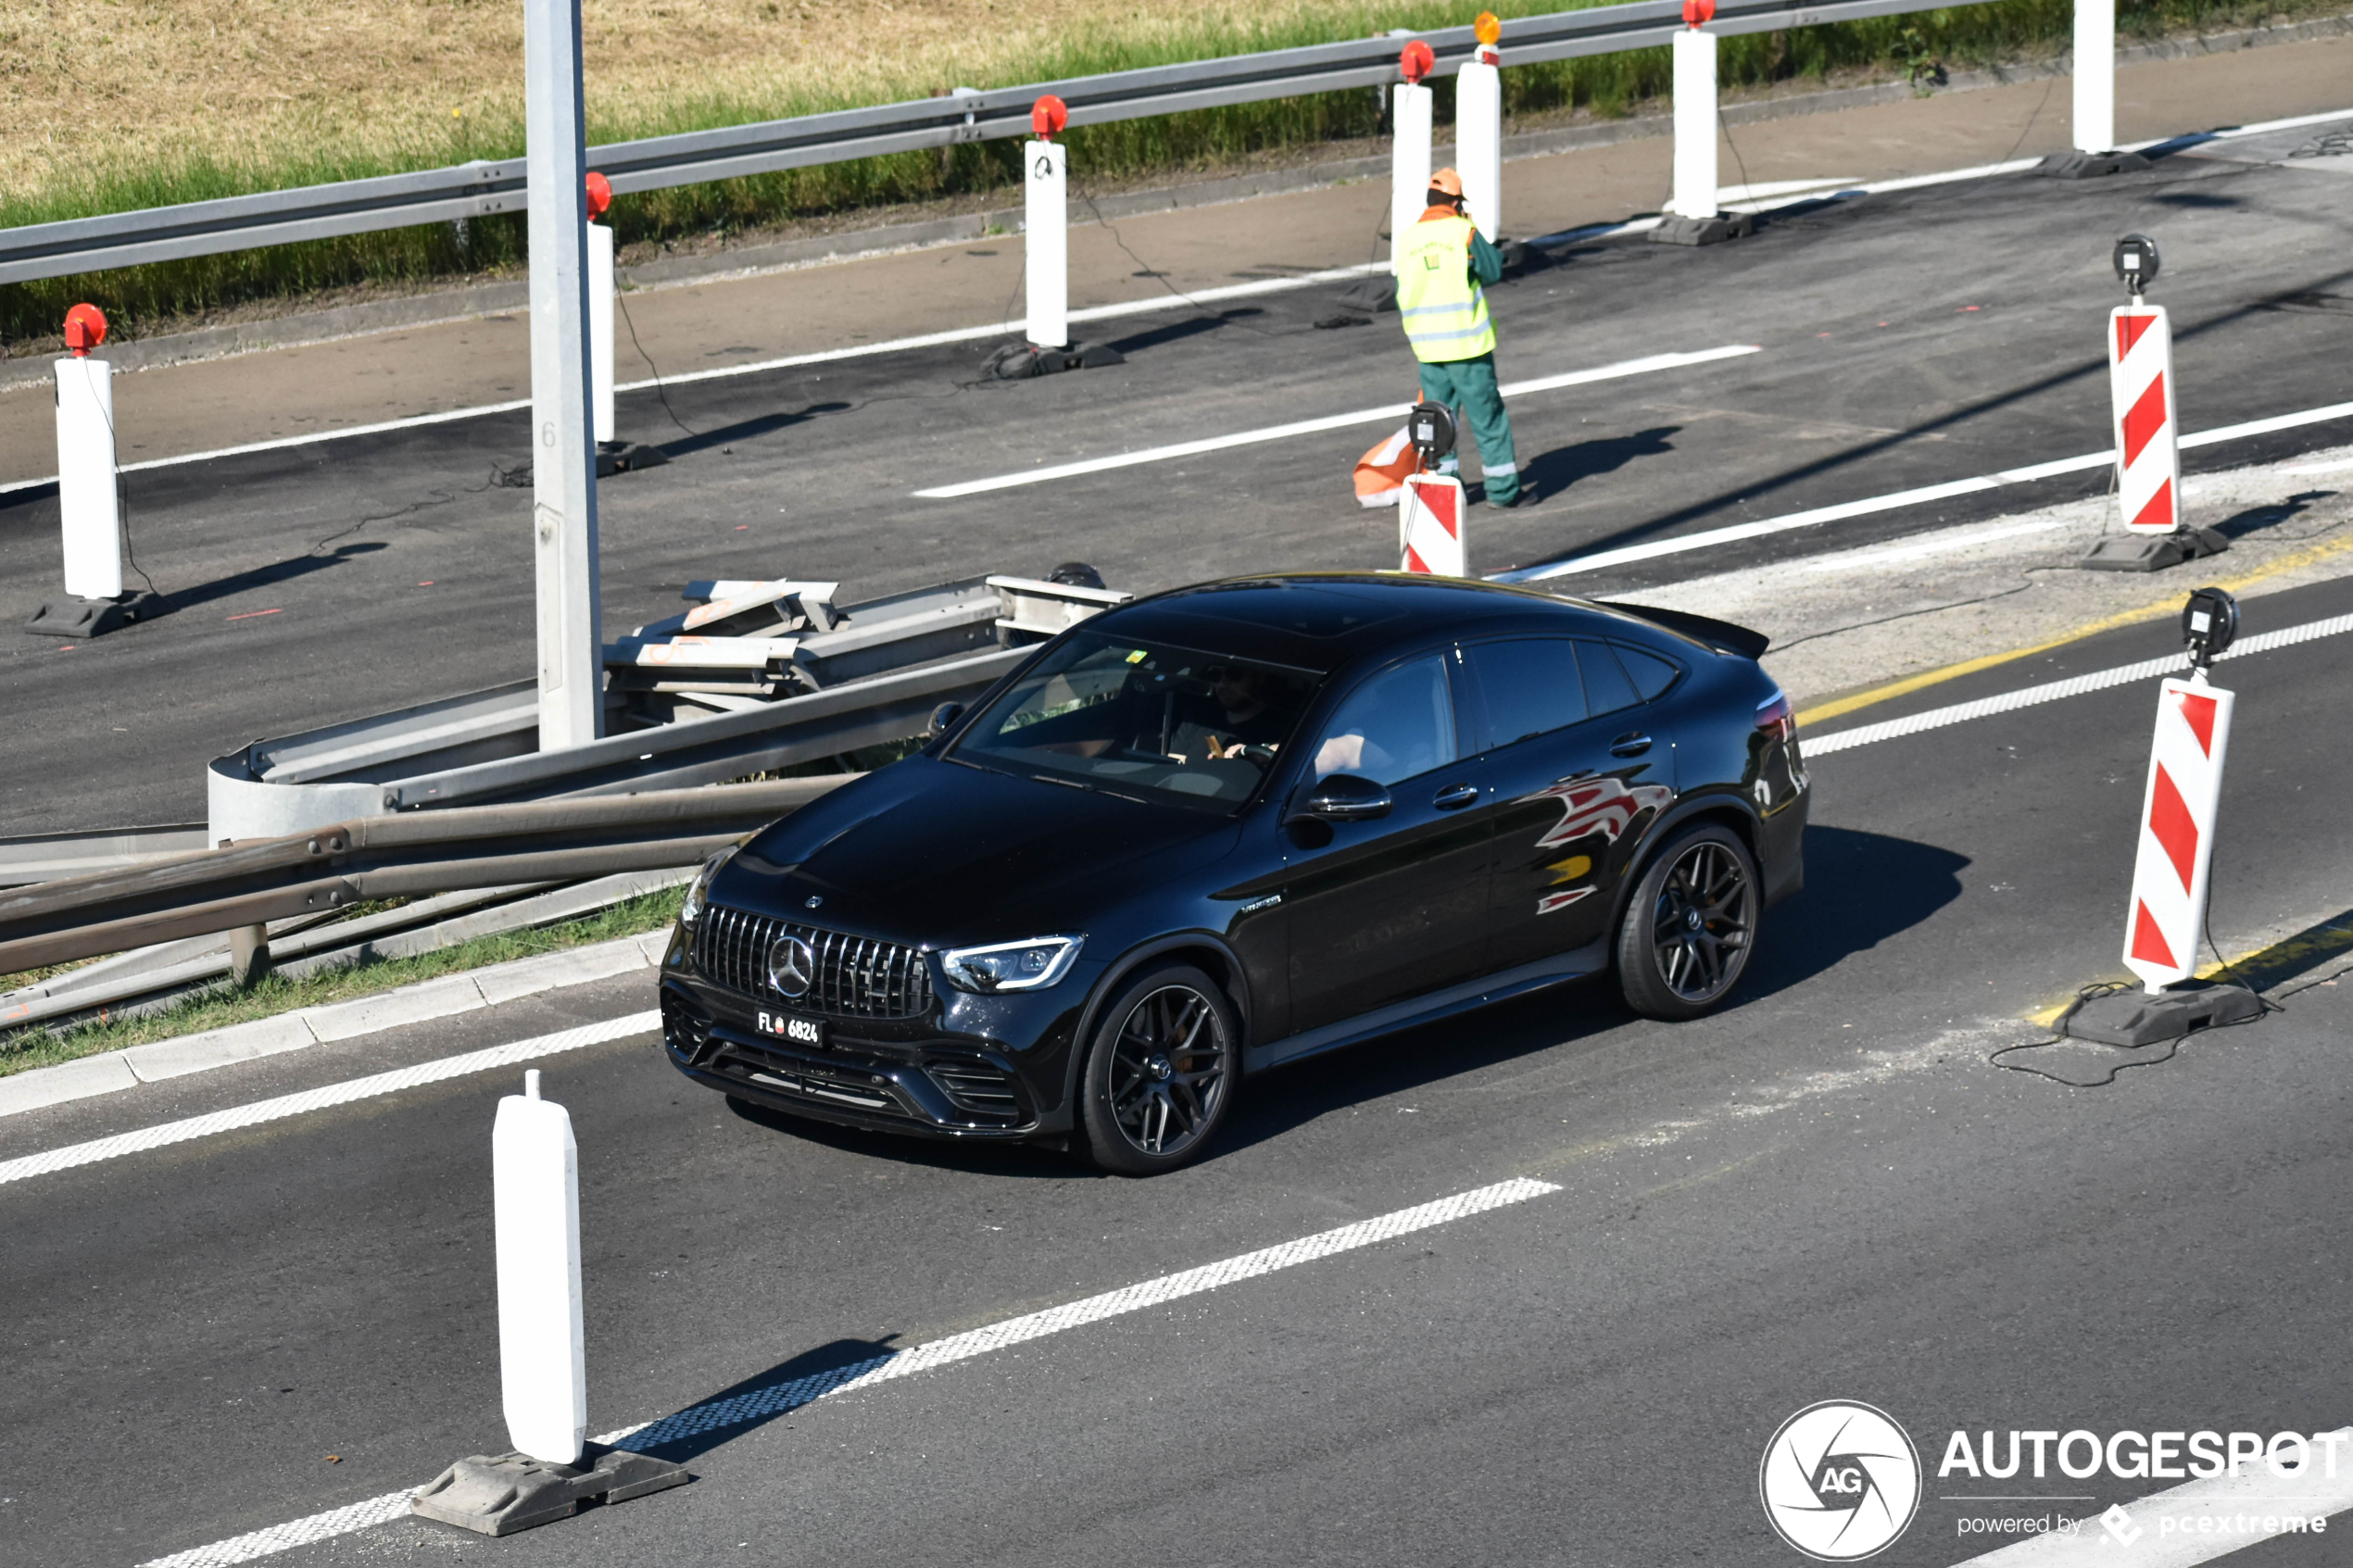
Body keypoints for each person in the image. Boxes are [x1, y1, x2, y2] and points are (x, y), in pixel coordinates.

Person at [1395, 167, 1523, 508]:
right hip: (1466, 346)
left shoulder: (1407, 239)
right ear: (1455, 201)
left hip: (1427, 348)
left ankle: (1447, 493)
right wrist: (1472, 231)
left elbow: (1404, 288)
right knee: (1488, 418)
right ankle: (1503, 491)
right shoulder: (1462, 231)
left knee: (1439, 424)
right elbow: (1493, 270)